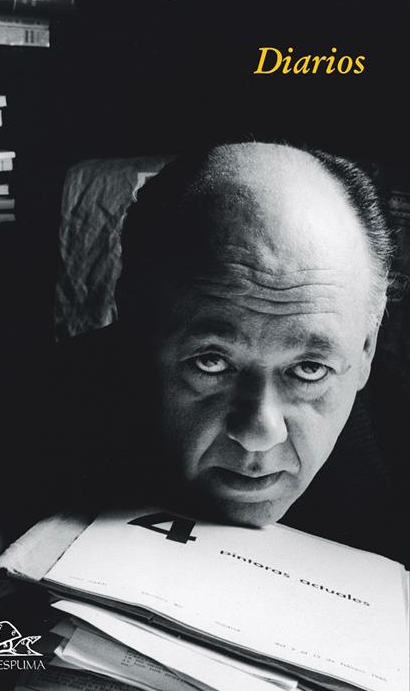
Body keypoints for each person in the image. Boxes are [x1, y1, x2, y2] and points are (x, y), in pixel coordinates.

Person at [55, 142, 408, 564]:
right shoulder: (14, 429)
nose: (259, 433)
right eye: (212, 361)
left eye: (310, 369)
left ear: (366, 347)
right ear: (134, 324)